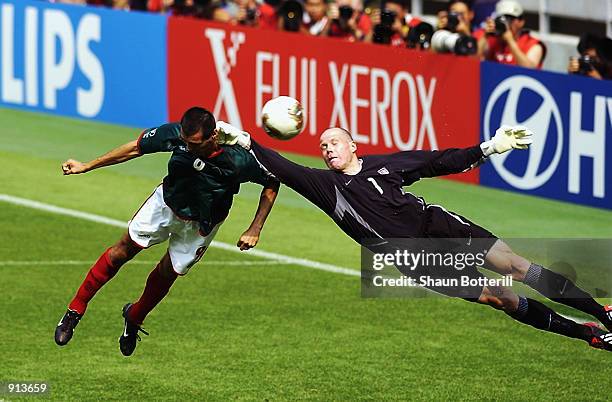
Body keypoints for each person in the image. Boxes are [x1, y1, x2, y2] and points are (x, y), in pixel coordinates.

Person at [219, 125, 612, 351]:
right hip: (417, 259)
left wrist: (489, 147)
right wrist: (247, 142)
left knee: (515, 265)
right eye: (322, 146)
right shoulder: (324, 186)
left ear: (353, 146)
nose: (326, 149)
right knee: (503, 297)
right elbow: (283, 167)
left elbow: (436, 160)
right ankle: (589, 335)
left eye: (333, 142)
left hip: (437, 224)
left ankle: (603, 312)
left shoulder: (385, 164)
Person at [55, 107, 280, 356]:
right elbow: (135, 148)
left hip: (202, 224)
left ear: (213, 136)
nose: (188, 148)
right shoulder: (176, 135)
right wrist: (87, 166)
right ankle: (75, 309)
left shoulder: (237, 160)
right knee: (121, 252)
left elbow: (271, 181)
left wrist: (255, 227)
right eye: (185, 142)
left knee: (168, 272)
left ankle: (134, 317)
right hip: (165, 206)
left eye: (195, 144)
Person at [478, 0, 546, 69]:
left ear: (521, 22)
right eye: (501, 18)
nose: (506, 22)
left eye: (510, 19)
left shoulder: (533, 44)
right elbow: (473, 60)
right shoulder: (493, 41)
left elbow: (530, 71)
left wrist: (510, 41)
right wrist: (485, 36)